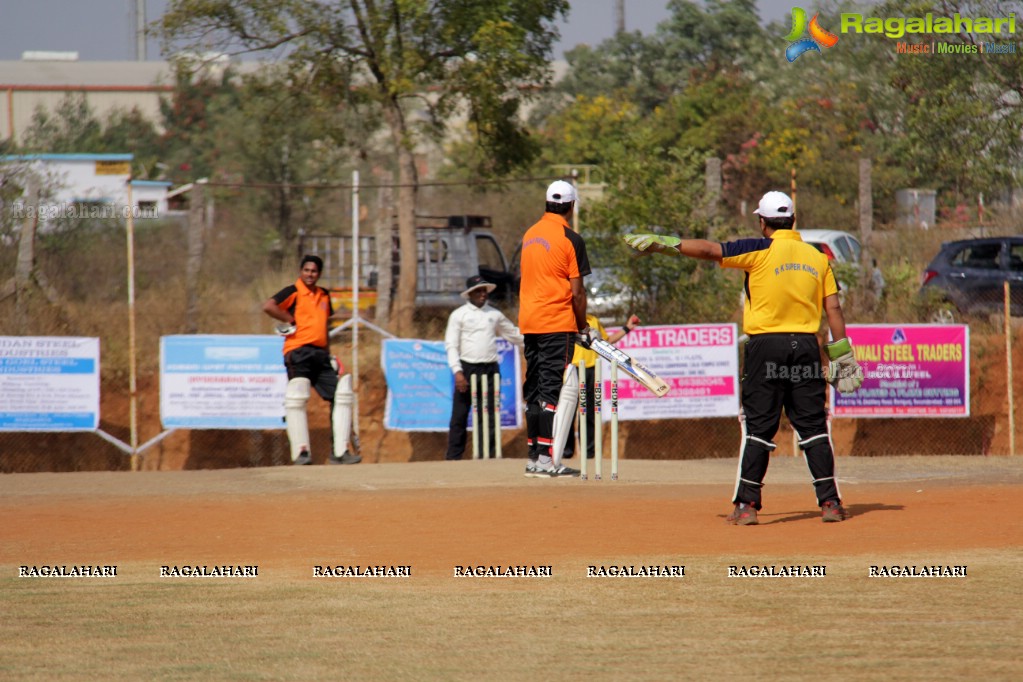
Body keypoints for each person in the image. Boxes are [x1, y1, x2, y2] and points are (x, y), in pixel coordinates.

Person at [624, 191, 863, 524]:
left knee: (759, 427)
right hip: (806, 347)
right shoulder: (817, 257)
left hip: (766, 347)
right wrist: (842, 353)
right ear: (793, 219)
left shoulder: (759, 249)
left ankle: (747, 506)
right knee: (813, 427)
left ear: (762, 222)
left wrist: (664, 243)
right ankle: (831, 503)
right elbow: (833, 307)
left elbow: (710, 250)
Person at [518, 180, 592, 478]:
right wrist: (583, 326)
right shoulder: (570, 238)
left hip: (530, 321)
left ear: (547, 203)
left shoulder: (529, 235)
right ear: (571, 206)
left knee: (534, 389)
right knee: (550, 390)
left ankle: (534, 457)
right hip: (556, 322)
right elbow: (577, 293)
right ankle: (547, 460)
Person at [261, 255, 362, 466]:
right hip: (298, 351)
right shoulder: (293, 291)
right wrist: (290, 319)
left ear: (319, 273)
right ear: (301, 271)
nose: (310, 274)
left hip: (320, 354)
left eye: (314, 271)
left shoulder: (324, 295)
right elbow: (269, 306)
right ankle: (301, 453)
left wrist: (329, 353)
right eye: (306, 270)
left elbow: (324, 326)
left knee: (341, 396)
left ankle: (340, 452)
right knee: (298, 396)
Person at [444, 274, 524, 460]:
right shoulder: (459, 315)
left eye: (484, 291)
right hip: (467, 369)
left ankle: (488, 455)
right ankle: (453, 457)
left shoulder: (494, 314)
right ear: (470, 294)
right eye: (478, 291)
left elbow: (513, 335)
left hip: (490, 369)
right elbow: (451, 345)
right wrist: (457, 371)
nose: (482, 294)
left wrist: (538, 343)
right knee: (460, 414)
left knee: (489, 414)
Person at [563, 312, 640, 460]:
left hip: (591, 369)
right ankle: (566, 452)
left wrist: (627, 328)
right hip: (571, 368)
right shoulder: (567, 318)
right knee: (568, 411)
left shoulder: (593, 320)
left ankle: (588, 452)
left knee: (589, 413)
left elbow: (607, 341)